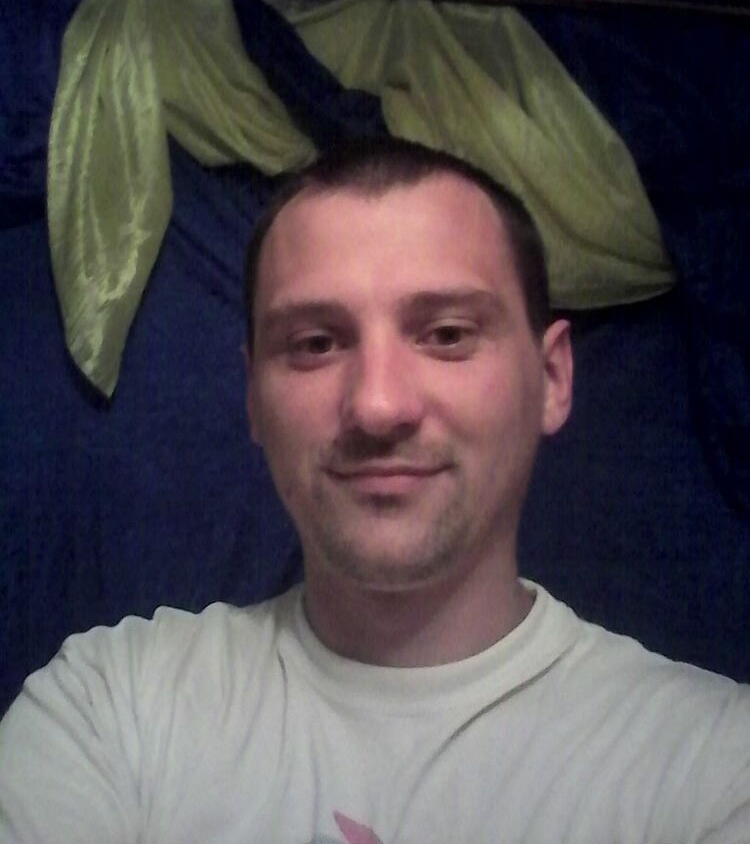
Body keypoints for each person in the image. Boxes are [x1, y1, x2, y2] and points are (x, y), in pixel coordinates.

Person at [1, 138, 748, 843]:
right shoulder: (109, 711)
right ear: (253, 398)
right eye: (315, 344)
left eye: (447, 335)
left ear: (552, 378)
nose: (378, 405)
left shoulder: (716, 769)